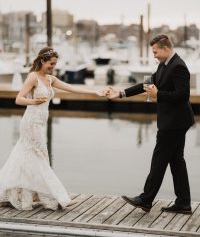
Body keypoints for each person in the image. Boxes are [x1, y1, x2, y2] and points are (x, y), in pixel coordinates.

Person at [0, 47, 104, 211]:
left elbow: (72, 88)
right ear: (42, 61)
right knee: (40, 159)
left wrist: (95, 92)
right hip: (31, 122)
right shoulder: (33, 77)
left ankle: (13, 193)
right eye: (51, 63)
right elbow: (19, 99)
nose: (53, 66)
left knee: (25, 157)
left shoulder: (50, 79)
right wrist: (34, 101)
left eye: (55, 64)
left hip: (40, 123)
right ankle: (57, 197)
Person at [106, 35, 194, 214]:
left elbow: (183, 95)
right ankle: (183, 203)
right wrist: (120, 93)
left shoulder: (178, 66)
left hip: (175, 122)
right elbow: (146, 85)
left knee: (159, 159)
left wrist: (158, 94)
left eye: (155, 51)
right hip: (172, 120)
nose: (153, 55)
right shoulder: (164, 65)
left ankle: (146, 199)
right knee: (176, 161)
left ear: (165, 48)